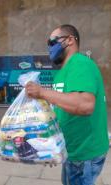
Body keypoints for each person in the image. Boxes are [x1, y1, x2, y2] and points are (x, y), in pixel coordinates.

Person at [25, 24, 109, 185]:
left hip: (84, 156)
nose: (49, 47)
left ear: (70, 40)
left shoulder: (80, 63)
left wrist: (42, 92)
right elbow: (63, 109)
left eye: (52, 42)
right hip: (71, 152)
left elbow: (85, 105)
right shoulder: (62, 72)